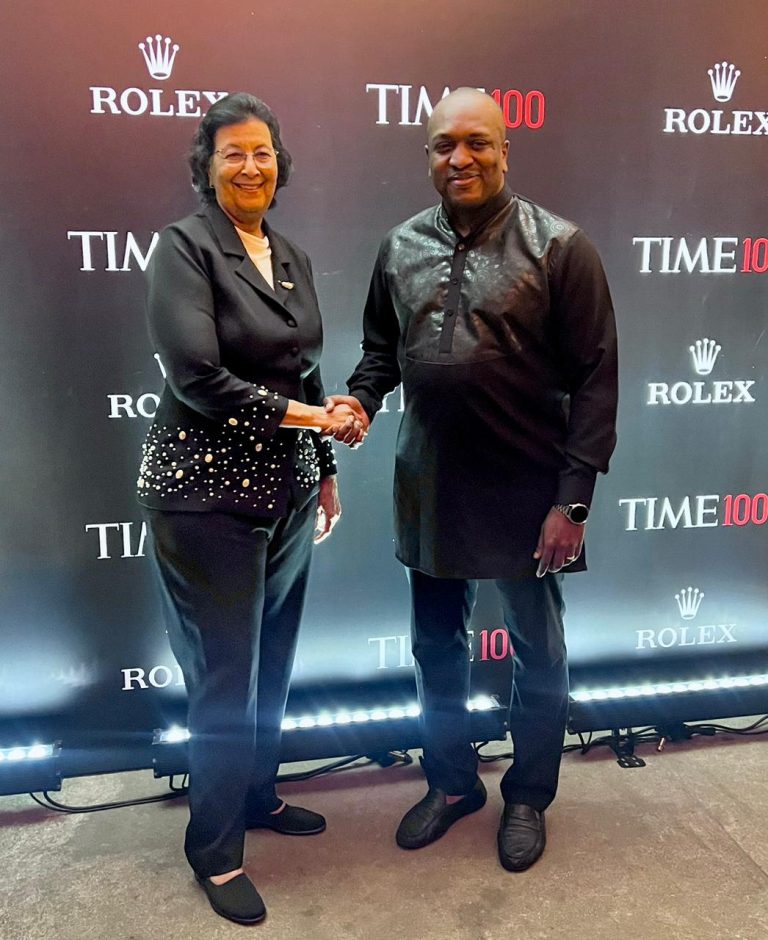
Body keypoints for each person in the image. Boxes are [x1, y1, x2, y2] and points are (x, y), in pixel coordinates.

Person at [327, 88, 618, 872]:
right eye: (444, 145)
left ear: (505, 150)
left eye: (478, 143)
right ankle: (452, 783)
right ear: (427, 155)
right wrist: (359, 400)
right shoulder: (399, 247)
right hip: (430, 482)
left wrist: (573, 500)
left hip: (530, 489)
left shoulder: (561, 247)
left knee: (538, 651)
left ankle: (528, 794)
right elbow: (380, 351)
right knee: (435, 647)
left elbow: (596, 381)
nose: (461, 158)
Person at [137, 92, 361, 925]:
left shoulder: (290, 255)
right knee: (226, 682)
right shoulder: (183, 248)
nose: (250, 166)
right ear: (207, 167)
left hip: (288, 495)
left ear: (279, 164)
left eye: (262, 151)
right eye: (233, 152)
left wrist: (324, 466)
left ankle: (257, 796)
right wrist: (315, 420)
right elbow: (196, 374)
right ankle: (216, 851)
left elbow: (303, 365)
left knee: (272, 666)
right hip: (205, 499)